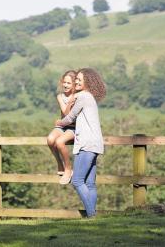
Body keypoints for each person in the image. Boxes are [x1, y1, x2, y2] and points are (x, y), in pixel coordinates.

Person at [55, 68, 106, 218]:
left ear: (88, 82)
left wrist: (59, 123)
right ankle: (93, 216)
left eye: (79, 79)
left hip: (86, 144)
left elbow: (70, 118)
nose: (76, 81)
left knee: (77, 181)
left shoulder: (83, 96)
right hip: (95, 144)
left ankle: (92, 216)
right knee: (89, 183)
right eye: (76, 79)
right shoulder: (89, 97)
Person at [47, 70, 77, 185]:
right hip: (63, 126)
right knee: (50, 139)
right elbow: (65, 112)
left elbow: (69, 114)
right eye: (64, 82)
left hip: (74, 128)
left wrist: (74, 97)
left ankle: (68, 169)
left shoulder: (78, 97)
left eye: (69, 83)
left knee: (60, 142)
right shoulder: (60, 96)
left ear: (74, 84)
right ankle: (59, 163)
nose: (65, 85)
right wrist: (71, 100)